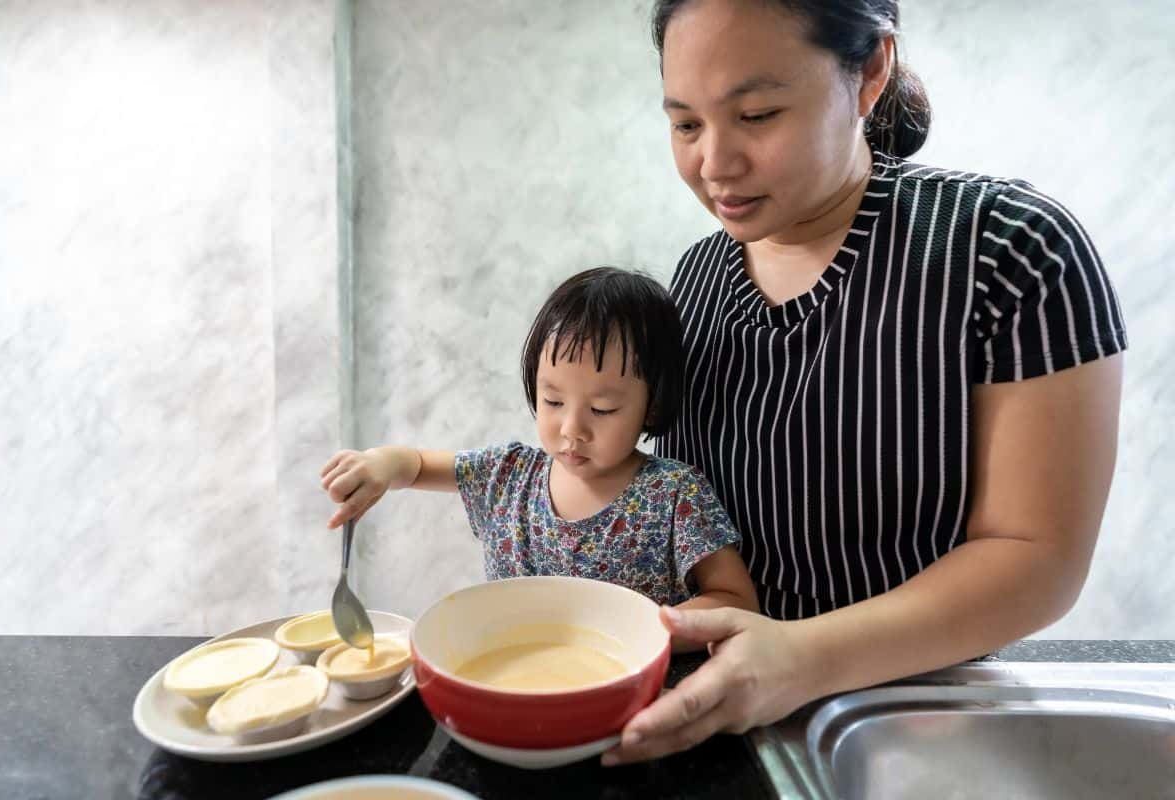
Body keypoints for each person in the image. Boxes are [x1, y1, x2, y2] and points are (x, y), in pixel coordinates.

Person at [601, 0, 1126, 765]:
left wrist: (802, 657)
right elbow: (672, 500)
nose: (714, 163)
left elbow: (1034, 556)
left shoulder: (1008, 251)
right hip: (709, 716)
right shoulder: (699, 278)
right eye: (685, 125)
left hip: (917, 733)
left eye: (757, 113)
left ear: (870, 70)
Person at [320, 267, 760, 650]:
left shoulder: (673, 494)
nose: (572, 429)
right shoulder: (509, 475)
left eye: (602, 410)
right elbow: (415, 464)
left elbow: (735, 600)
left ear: (653, 404)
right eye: (552, 401)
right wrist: (380, 464)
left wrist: (646, 631)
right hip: (514, 682)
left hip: (628, 699)